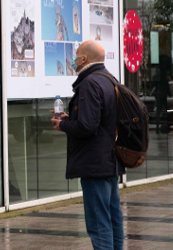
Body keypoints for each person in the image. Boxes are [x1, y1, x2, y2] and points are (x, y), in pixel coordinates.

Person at [53, 40, 124, 250]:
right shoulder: (110, 79)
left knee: (98, 222)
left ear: (84, 59)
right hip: (110, 160)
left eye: (76, 57)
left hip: (94, 164)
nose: (74, 62)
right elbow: (99, 120)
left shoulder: (90, 83)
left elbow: (87, 126)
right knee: (113, 218)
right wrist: (71, 118)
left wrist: (63, 125)